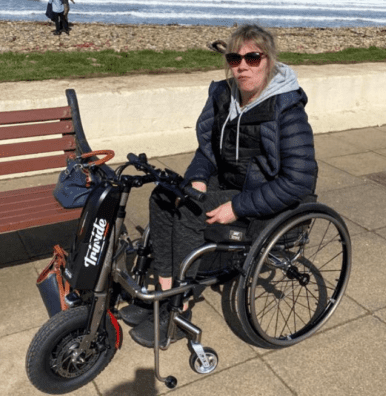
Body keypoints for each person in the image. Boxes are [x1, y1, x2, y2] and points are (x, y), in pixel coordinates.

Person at [125, 24, 318, 348]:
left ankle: (178, 306)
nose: (242, 65)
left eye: (252, 57)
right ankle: (163, 290)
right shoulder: (223, 96)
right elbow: (207, 152)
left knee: (188, 211)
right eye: (234, 58)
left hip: (264, 196)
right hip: (226, 181)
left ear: (268, 60)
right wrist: (198, 176)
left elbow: (297, 180)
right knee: (162, 196)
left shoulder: (287, 109)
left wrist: (237, 207)